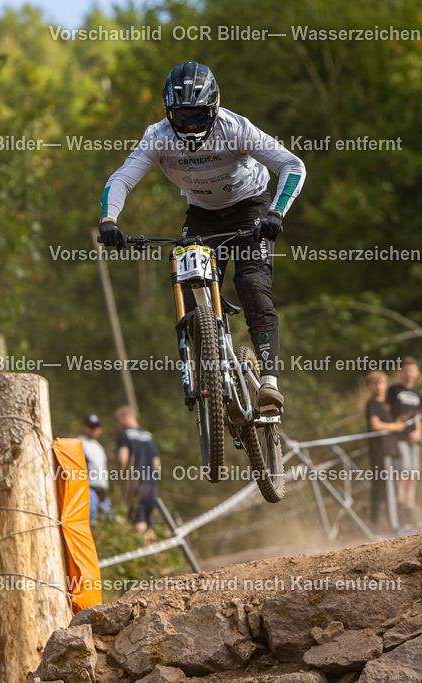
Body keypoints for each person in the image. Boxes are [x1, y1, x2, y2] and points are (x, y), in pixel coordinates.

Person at [98, 61, 306, 418]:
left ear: (213, 108)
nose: (190, 126)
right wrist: (108, 220)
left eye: (198, 116)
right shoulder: (158, 137)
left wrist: (276, 213)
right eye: (181, 118)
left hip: (251, 207)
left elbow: (293, 165)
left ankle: (269, 381)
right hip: (202, 215)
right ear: (168, 114)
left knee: (251, 284)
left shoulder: (235, 128)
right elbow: (121, 179)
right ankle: (214, 373)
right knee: (191, 293)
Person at [364, 371, 403, 530]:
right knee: (381, 487)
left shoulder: (384, 405)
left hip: (389, 449)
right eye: (375, 383)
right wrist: (395, 426)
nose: (378, 387)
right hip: (380, 451)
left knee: (390, 486)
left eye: (381, 383)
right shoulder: (372, 404)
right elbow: (375, 425)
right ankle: (382, 524)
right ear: (369, 386)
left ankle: (391, 522)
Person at [114, 406, 161, 539]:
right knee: (150, 523)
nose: (116, 425)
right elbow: (157, 465)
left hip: (135, 484)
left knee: (138, 521)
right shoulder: (148, 435)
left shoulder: (124, 434)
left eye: (116, 420)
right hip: (151, 484)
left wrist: (119, 477)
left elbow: (123, 458)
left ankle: (146, 555)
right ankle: (154, 554)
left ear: (124, 417)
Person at [388, 357, 422, 528]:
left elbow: (418, 415)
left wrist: (418, 432)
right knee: (403, 473)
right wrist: (393, 425)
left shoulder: (417, 393)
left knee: (413, 474)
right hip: (398, 438)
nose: (409, 374)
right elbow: (386, 411)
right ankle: (400, 510)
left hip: (412, 439)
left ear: (417, 373)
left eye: (412, 370)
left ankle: (410, 509)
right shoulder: (394, 390)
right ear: (400, 372)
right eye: (406, 370)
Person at [79, 414, 112, 522]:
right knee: (91, 520)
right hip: (89, 488)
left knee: (106, 520)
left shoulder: (99, 447)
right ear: (84, 427)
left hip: (102, 489)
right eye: (91, 426)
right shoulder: (79, 443)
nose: (94, 429)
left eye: (96, 427)